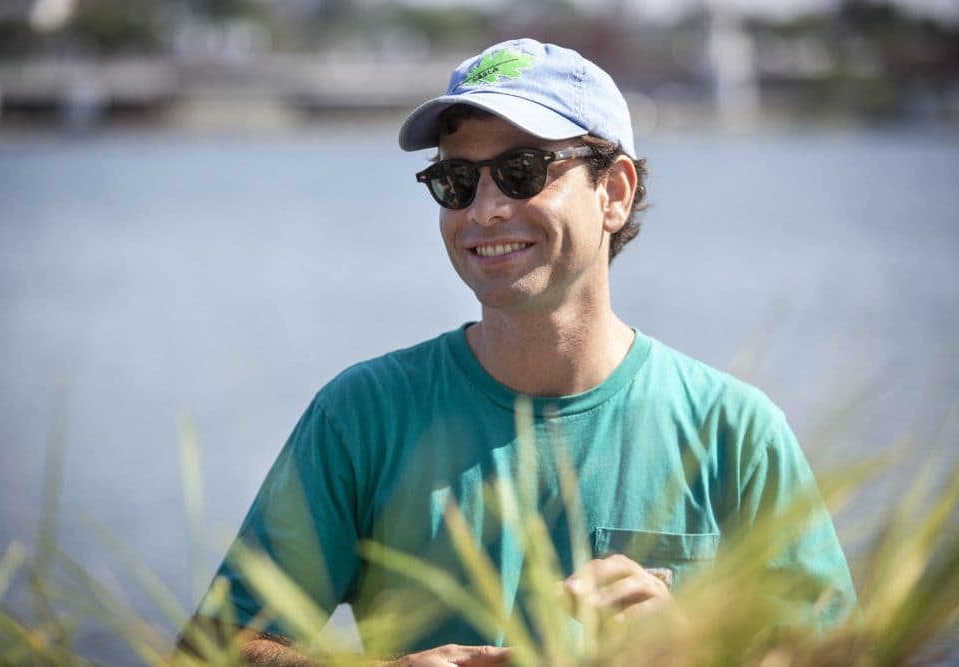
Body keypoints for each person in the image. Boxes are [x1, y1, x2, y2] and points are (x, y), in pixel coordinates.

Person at [184, 38, 856, 666]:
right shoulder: (362, 414)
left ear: (614, 191)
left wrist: (688, 644)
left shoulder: (734, 432)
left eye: (521, 170)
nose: (484, 209)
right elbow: (213, 647)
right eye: (456, 180)